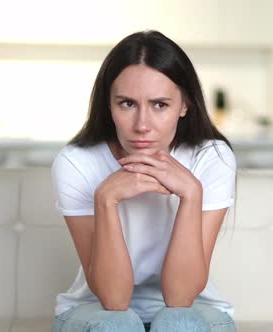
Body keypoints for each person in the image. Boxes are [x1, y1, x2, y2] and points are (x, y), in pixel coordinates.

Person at [51, 30, 237, 332]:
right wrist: (105, 199)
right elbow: (114, 300)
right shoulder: (76, 162)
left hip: (194, 311)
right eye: (127, 104)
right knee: (116, 326)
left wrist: (191, 193)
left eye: (160, 105)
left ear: (185, 105)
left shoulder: (212, 157)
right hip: (94, 311)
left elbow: (180, 297)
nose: (142, 125)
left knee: (179, 323)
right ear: (108, 105)